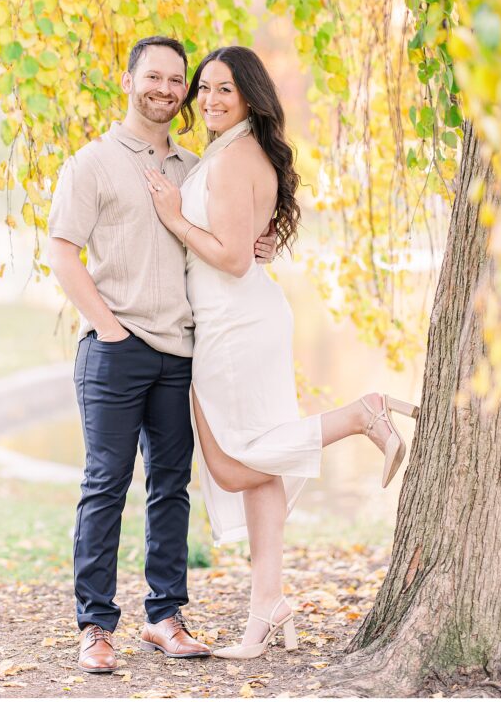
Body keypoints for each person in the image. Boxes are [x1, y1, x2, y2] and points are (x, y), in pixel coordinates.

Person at [144, 45, 420, 660]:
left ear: (248, 97)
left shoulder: (235, 156)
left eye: (224, 90)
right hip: (240, 319)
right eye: (205, 89)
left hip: (235, 327)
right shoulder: (236, 152)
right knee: (257, 468)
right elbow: (246, 244)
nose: (210, 100)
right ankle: (267, 607)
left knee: (234, 465)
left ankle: (360, 414)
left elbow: (233, 256)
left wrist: (172, 215)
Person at [47, 36, 275, 674]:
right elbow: (62, 252)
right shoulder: (90, 164)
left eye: (180, 81)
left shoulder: (194, 167)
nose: (169, 90)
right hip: (115, 352)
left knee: (171, 488)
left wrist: (263, 244)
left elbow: (228, 232)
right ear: (128, 81)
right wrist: (110, 330)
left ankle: (164, 616)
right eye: (156, 77)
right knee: (105, 487)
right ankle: (94, 627)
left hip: (181, 354)